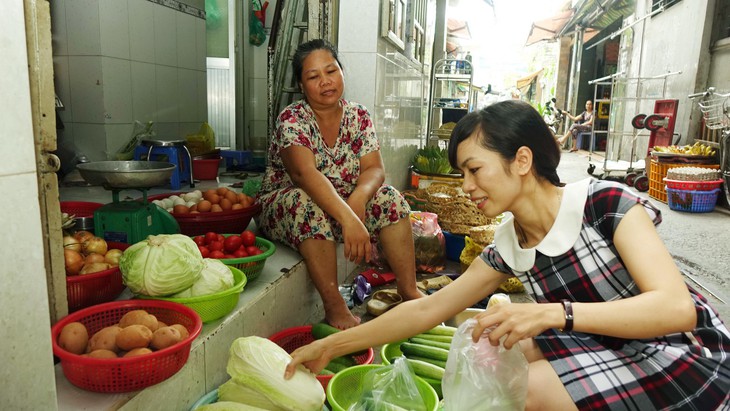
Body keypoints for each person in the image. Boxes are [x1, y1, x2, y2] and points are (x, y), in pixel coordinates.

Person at [284, 100, 730, 410]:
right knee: (502, 355)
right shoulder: (509, 244)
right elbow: (431, 309)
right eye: (462, 173)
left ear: (521, 159)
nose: (467, 186)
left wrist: (556, 314)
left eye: (475, 169)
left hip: (678, 352)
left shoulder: (604, 204)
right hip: (606, 343)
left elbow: (676, 309)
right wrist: (332, 345)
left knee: (529, 387)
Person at [257, 39, 422, 330]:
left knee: (390, 199)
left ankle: (409, 291)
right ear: (301, 84)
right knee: (304, 203)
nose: (325, 82)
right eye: (313, 76)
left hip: (343, 207)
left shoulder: (358, 116)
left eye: (330, 71)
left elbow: (374, 169)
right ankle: (334, 306)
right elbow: (304, 176)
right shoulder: (292, 119)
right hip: (289, 208)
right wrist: (348, 216)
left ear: (342, 72)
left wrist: (357, 201)